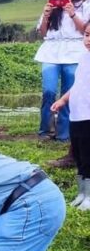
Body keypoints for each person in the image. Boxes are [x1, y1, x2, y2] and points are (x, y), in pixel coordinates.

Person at [37, 0, 89, 143]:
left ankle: (64, 133)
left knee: (70, 92)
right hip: (51, 50)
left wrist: (73, 14)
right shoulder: (52, 4)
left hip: (75, 50)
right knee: (49, 90)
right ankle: (45, 129)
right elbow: (43, 33)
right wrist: (46, 15)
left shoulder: (85, 4)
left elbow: (85, 31)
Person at [50, 23, 90, 210]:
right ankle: (82, 193)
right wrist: (63, 100)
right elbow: (77, 85)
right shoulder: (83, 58)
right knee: (80, 155)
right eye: (87, 35)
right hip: (77, 116)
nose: (88, 40)